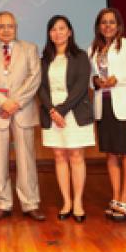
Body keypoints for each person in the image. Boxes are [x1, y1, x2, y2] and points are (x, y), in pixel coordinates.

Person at [0, 11, 44, 222]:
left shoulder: (30, 48)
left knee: (26, 159)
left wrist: (15, 102)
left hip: (22, 110)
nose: (6, 30)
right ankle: (1, 203)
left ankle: (30, 203)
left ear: (16, 28)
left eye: (10, 26)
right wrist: (2, 102)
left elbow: (35, 77)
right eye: (1, 26)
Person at [88, 8, 126, 221]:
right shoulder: (92, 48)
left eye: (112, 22)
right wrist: (95, 81)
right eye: (104, 22)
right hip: (103, 106)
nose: (108, 26)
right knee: (110, 154)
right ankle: (115, 195)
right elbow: (90, 77)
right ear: (98, 26)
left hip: (122, 105)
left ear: (119, 25)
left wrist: (117, 78)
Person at [37, 15, 93, 223]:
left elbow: (80, 88)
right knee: (59, 156)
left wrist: (62, 110)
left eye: (62, 28)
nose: (57, 33)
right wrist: (53, 111)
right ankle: (66, 202)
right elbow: (40, 88)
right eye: (53, 29)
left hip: (74, 111)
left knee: (76, 156)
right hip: (52, 112)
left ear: (69, 32)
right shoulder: (44, 59)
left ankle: (78, 202)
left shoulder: (80, 56)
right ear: (49, 34)